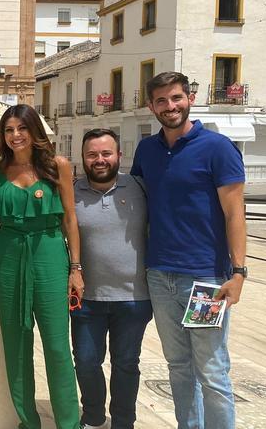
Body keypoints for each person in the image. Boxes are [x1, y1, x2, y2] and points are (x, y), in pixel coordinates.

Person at [0, 104, 82, 429]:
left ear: (34, 131)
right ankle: (28, 422)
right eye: (8, 130)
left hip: (49, 253)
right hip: (8, 255)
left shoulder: (58, 166)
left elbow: (69, 218)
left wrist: (75, 268)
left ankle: (68, 423)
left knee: (57, 345)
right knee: (16, 343)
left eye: (21, 128)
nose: (15, 136)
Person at [131, 71, 246, 429]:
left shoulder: (217, 147)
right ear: (151, 106)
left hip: (205, 279)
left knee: (211, 370)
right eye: (161, 101)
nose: (170, 107)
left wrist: (239, 272)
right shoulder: (147, 150)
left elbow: (234, 213)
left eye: (176, 98)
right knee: (178, 367)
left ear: (189, 98)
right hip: (160, 276)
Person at [72, 128, 152, 429]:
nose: (100, 160)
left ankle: (123, 422)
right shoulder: (71, 192)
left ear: (119, 155)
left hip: (134, 298)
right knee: (86, 362)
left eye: (106, 153)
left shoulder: (141, 187)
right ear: (83, 158)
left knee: (127, 364)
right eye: (92, 154)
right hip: (86, 299)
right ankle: (93, 418)